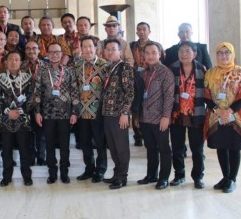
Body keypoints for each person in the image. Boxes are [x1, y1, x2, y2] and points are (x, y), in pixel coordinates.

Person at [204, 42, 241, 193]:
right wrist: (219, 111)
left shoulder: (240, 72)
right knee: (221, 146)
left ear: (232, 54)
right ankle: (225, 176)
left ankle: (232, 179)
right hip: (216, 116)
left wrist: (228, 112)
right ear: (216, 55)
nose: (224, 56)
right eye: (220, 53)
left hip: (235, 117)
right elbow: (206, 96)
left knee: (234, 147)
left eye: (227, 53)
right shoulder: (210, 73)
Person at [33, 43, 81, 184]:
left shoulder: (69, 71)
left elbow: (75, 93)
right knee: (49, 145)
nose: (55, 55)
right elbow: (37, 93)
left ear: (61, 54)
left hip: (65, 115)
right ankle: (52, 173)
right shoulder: (42, 70)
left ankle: (64, 172)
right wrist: (37, 112)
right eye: (52, 52)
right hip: (47, 114)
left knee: (65, 145)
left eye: (57, 52)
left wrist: (74, 112)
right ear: (47, 54)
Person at [168, 41, 207, 189]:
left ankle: (198, 177)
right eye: (181, 51)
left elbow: (208, 92)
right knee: (177, 148)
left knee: (197, 149)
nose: (184, 54)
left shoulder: (202, 70)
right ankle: (179, 175)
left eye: (187, 51)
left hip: (195, 114)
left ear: (195, 53)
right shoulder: (172, 69)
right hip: (177, 113)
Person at [137, 42, 174, 190]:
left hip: (160, 118)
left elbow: (169, 96)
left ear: (160, 54)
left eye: (153, 52)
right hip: (145, 118)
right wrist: (137, 116)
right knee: (150, 148)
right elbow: (139, 96)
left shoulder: (166, 73)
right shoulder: (143, 73)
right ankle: (151, 175)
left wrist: (166, 116)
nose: (150, 56)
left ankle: (164, 177)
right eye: (147, 53)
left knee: (163, 148)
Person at [0, 51, 33, 186]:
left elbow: (32, 97)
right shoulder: (0, 78)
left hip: (23, 121)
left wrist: (22, 111)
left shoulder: (27, 78)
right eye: (11, 59)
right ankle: (6, 177)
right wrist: (7, 111)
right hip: (6, 121)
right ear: (6, 62)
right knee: (6, 151)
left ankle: (27, 176)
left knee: (24, 150)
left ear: (21, 62)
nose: (14, 62)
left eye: (17, 59)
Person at [100, 39, 135, 189]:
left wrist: (125, 113)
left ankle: (122, 177)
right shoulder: (108, 68)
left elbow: (130, 93)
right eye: (107, 49)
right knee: (113, 147)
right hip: (107, 114)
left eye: (113, 49)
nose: (110, 52)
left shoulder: (125, 68)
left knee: (121, 147)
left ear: (120, 51)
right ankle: (116, 173)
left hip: (119, 115)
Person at [74, 36, 108, 183]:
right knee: (85, 143)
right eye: (84, 47)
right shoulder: (77, 66)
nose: (87, 50)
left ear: (96, 48)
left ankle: (100, 170)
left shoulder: (104, 65)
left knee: (100, 143)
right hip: (82, 111)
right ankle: (89, 168)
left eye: (90, 47)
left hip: (98, 111)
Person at [129, 22, 165, 146]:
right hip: (136, 78)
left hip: (153, 77)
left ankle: (149, 130)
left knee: (150, 102)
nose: (141, 32)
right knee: (136, 104)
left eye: (144, 29)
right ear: (136, 32)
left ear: (149, 31)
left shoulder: (156, 46)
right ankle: (137, 134)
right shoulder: (132, 46)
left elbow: (162, 62)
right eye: (139, 29)